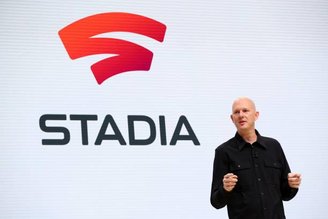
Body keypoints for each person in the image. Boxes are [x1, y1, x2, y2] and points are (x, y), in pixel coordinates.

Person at [210, 97, 301, 219]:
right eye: (236, 112)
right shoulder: (223, 152)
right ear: (232, 119)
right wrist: (225, 189)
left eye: (245, 110)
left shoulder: (274, 146)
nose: (241, 115)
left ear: (256, 115)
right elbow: (216, 202)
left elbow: (285, 195)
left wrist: (292, 185)